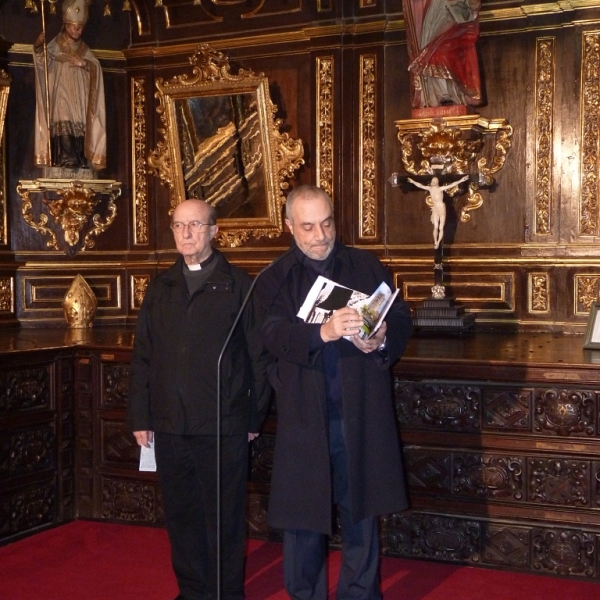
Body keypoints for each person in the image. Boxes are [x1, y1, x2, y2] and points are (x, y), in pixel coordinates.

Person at [256, 185, 413, 600]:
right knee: (303, 517)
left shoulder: (365, 265)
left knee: (361, 510)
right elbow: (269, 332)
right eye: (308, 227)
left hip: (359, 410)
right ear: (289, 226)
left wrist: (379, 337)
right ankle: (305, 594)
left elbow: (399, 318)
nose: (320, 235)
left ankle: (360, 594)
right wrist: (322, 332)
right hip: (305, 415)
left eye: (326, 223)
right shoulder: (275, 277)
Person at [127, 199, 270, 600]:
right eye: (178, 226)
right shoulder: (160, 287)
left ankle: (224, 594)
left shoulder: (241, 286)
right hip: (171, 426)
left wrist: (252, 418)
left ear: (214, 231)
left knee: (223, 520)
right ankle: (192, 592)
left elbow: (259, 360)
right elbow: (144, 356)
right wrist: (141, 415)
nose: (186, 234)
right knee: (182, 517)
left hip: (223, 427)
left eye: (195, 225)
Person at [33, 0, 106, 169]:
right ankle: (64, 158)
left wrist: (85, 64)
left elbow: (95, 68)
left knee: (79, 122)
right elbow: (41, 61)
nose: (77, 31)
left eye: (80, 27)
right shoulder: (55, 45)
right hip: (61, 94)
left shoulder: (84, 49)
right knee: (63, 120)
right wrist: (38, 45)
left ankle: (80, 158)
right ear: (66, 25)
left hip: (79, 97)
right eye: (74, 26)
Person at [403, 0, 482, 108]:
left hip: (457, 16)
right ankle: (438, 96)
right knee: (433, 52)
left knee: (442, 54)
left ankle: (453, 95)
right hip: (437, 11)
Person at [408, 175, 469, 248]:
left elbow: (451, 185)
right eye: (432, 181)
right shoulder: (430, 189)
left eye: (434, 181)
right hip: (435, 209)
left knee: (441, 227)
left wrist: (461, 180)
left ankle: (439, 241)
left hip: (441, 208)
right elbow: (420, 185)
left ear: (437, 183)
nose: (433, 183)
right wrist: (412, 181)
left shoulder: (440, 189)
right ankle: (435, 242)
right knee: (435, 227)